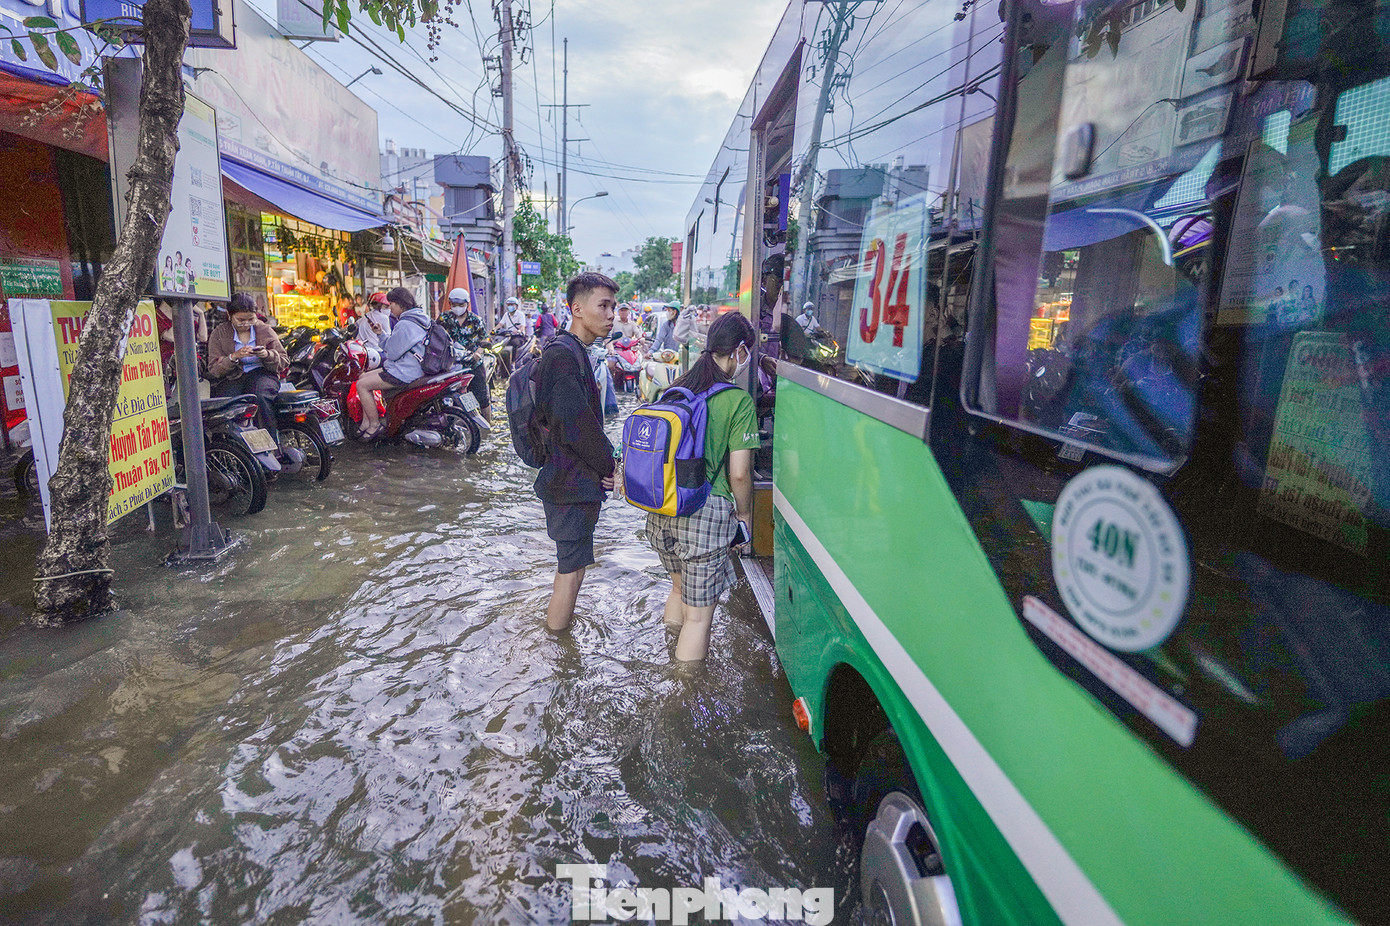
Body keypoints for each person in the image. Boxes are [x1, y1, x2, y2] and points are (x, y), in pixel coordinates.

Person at [640, 311, 760, 662]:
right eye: (747, 352)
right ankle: (683, 695)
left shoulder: (678, 386)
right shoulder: (737, 401)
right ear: (739, 350)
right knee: (699, 618)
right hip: (706, 517)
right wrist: (744, 516)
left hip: (664, 508)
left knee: (678, 589)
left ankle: (667, 655)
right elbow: (739, 474)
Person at [533, 271, 617, 633]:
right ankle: (556, 649)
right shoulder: (563, 355)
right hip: (567, 482)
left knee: (575, 567)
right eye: (604, 305)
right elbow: (576, 426)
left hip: (574, 480)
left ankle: (560, 642)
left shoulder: (574, 352)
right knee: (569, 571)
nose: (612, 314)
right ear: (577, 308)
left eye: (614, 306)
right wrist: (612, 465)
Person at [207, 293, 290, 444]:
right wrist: (233, 357)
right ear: (229, 315)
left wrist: (267, 354)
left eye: (251, 319)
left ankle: (269, 445)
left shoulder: (265, 330)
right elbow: (214, 368)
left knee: (259, 396)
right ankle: (228, 448)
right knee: (227, 404)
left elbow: (283, 360)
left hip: (262, 374)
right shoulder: (219, 333)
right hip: (232, 377)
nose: (246, 324)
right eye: (240, 320)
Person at [354, 287, 430, 440]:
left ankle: (374, 425)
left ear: (400, 304)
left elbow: (392, 353)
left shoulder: (405, 323)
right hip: (409, 366)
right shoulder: (419, 317)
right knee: (362, 377)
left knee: (361, 385)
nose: (390, 309)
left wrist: (383, 338)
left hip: (405, 371)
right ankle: (366, 421)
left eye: (392, 305)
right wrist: (381, 334)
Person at [440, 287, 492, 424]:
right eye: (454, 305)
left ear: (467, 304)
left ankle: (488, 424)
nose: (457, 308)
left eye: (461, 305)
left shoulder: (476, 320)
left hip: (473, 363)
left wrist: (478, 354)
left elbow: (485, 339)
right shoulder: (444, 319)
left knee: (482, 397)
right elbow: (437, 338)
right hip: (452, 365)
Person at [496, 295, 530, 366]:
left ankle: (513, 363)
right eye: (508, 305)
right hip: (508, 336)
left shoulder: (520, 315)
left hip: (518, 336)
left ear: (516, 306)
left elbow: (522, 326)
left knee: (514, 343)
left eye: (512, 304)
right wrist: (493, 330)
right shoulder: (506, 315)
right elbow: (500, 324)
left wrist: (518, 331)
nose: (510, 306)